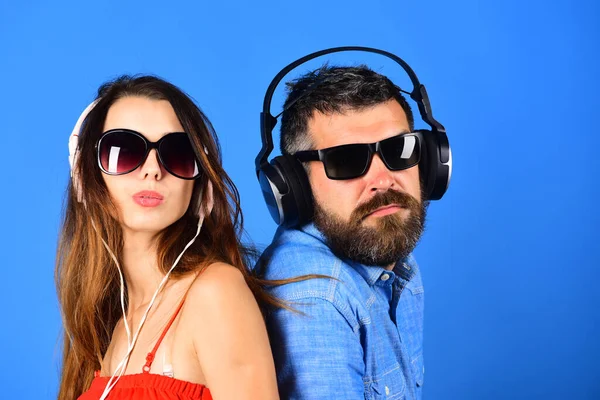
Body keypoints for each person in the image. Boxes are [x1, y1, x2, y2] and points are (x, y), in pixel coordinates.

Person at [56, 75, 279, 400]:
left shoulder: (215, 292)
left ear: (199, 186)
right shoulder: (116, 327)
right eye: (125, 150)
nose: (152, 169)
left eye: (177, 153)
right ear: (86, 176)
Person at [257, 52, 450, 400]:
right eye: (346, 160)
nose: (383, 179)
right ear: (291, 187)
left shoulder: (387, 253)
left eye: (399, 149)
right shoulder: (316, 300)